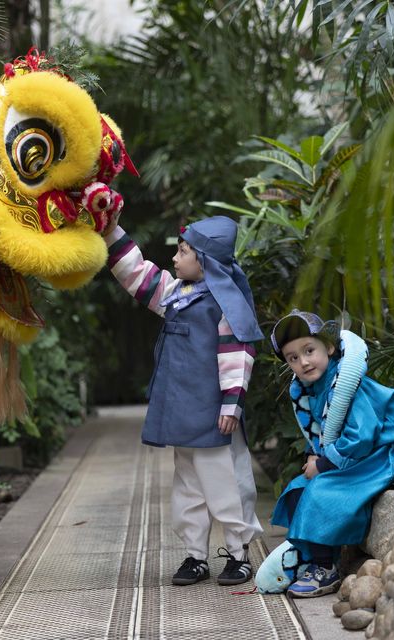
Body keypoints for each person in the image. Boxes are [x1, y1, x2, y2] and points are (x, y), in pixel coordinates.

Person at [103, 213, 263, 586]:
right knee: (187, 485)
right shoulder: (177, 293)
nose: (174, 259)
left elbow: (237, 356)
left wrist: (231, 405)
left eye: (183, 251)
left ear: (204, 260)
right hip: (183, 411)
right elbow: (139, 275)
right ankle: (195, 555)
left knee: (227, 481)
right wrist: (111, 230)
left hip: (215, 414)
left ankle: (238, 555)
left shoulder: (226, 304)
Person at [269, 310, 394, 598]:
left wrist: (323, 464)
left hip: (382, 451)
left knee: (323, 490)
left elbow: (362, 436)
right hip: (357, 453)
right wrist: (317, 458)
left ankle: (325, 568)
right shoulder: (315, 387)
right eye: (293, 358)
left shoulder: (348, 383)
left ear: (330, 347)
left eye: (309, 350)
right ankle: (310, 554)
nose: (304, 361)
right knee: (299, 487)